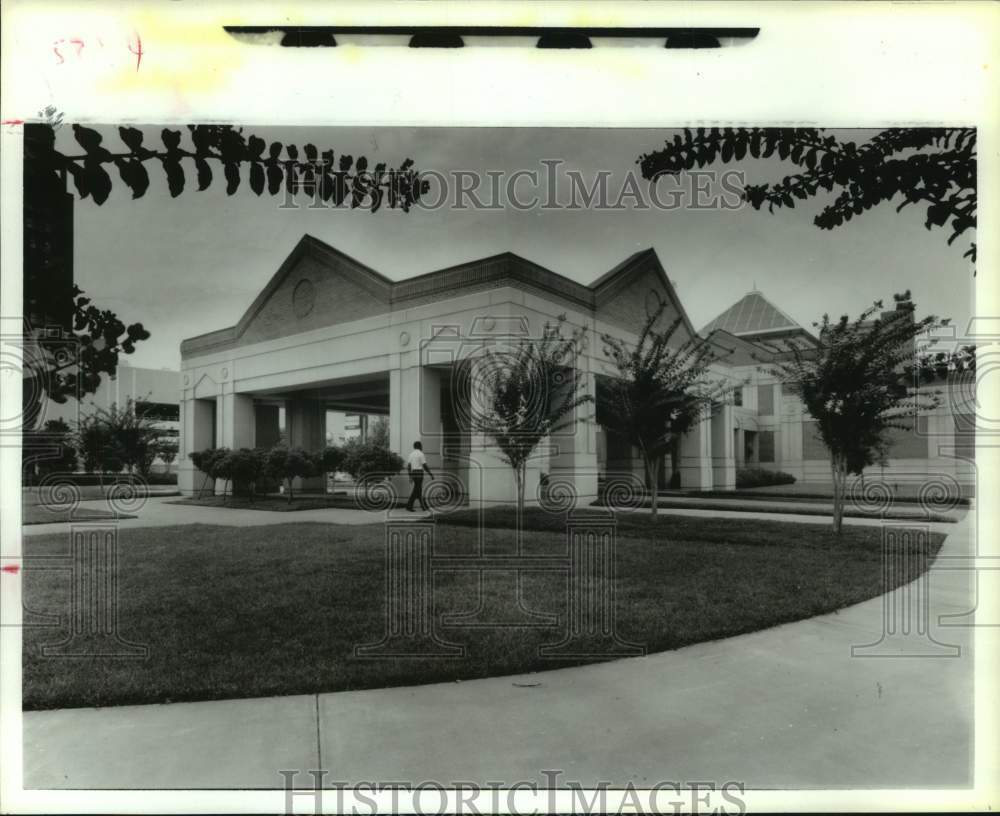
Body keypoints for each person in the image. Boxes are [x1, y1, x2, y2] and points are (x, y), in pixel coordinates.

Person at [405, 440, 433, 512]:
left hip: (414, 472)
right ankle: (411, 506)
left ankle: (423, 506)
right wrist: (430, 473)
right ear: (419, 446)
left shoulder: (411, 454)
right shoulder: (421, 454)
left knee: (418, 489)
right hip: (419, 473)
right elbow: (424, 465)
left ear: (414, 447)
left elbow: (408, 466)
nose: (422, 447)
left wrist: (410, 476)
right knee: (417, 489)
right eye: (421, 446)